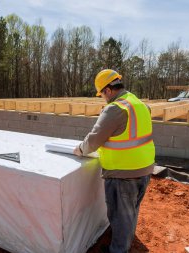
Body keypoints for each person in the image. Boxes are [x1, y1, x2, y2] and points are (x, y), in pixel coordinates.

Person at [73, 69, 155, 253]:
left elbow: (94, 140)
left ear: (108, 90)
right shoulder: (139, 103)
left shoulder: (115, 108)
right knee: (131, 210)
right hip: (144, 168)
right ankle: (125, 241)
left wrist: (80, 149)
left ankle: (118, 250)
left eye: (102, 93)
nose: (102, 97)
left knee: (120, 216)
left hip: (123, 173)